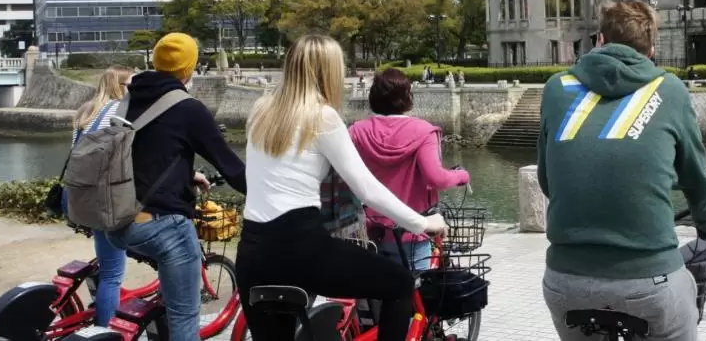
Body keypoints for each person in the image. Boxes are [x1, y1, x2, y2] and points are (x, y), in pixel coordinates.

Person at [537, 0, 706, 341]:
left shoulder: (558, 88)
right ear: (651, 48)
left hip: (565, 280)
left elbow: (546, 179)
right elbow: (696, 180)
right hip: (648, 279)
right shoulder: (668, 90)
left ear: (600, 40)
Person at [235, 34, 448, 341]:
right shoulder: (322, 116)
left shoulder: (260, 110)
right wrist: (423, 222)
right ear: (329, 72)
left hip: (253, 251)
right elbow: (367, 189)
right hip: (302, 247)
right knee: (399, 284)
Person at [107, 33, 247, 341]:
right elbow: (233, 169)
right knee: (185, 319)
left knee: (170, 302)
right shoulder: (188, 108)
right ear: (190, 68)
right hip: (161, 225)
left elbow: (148, 154)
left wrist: (188, 174)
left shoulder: (128, 99)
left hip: (116, 220)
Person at [349, 68, 470, 270]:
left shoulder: (357, 131)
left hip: (371, 230)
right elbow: (436, 178)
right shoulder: (424, 131)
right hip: (413, 229)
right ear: (407, 98)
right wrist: (461, 175)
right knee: (418, 291)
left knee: (377, 293)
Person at [67, 65, 132, 326]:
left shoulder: (86, 111)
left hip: (82, 197)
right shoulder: (119, 111)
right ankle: (106, 331)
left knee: (107, 262)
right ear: (119, 86)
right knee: (113, 275)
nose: (133, 90)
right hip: (107, 201)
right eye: (130, 85)